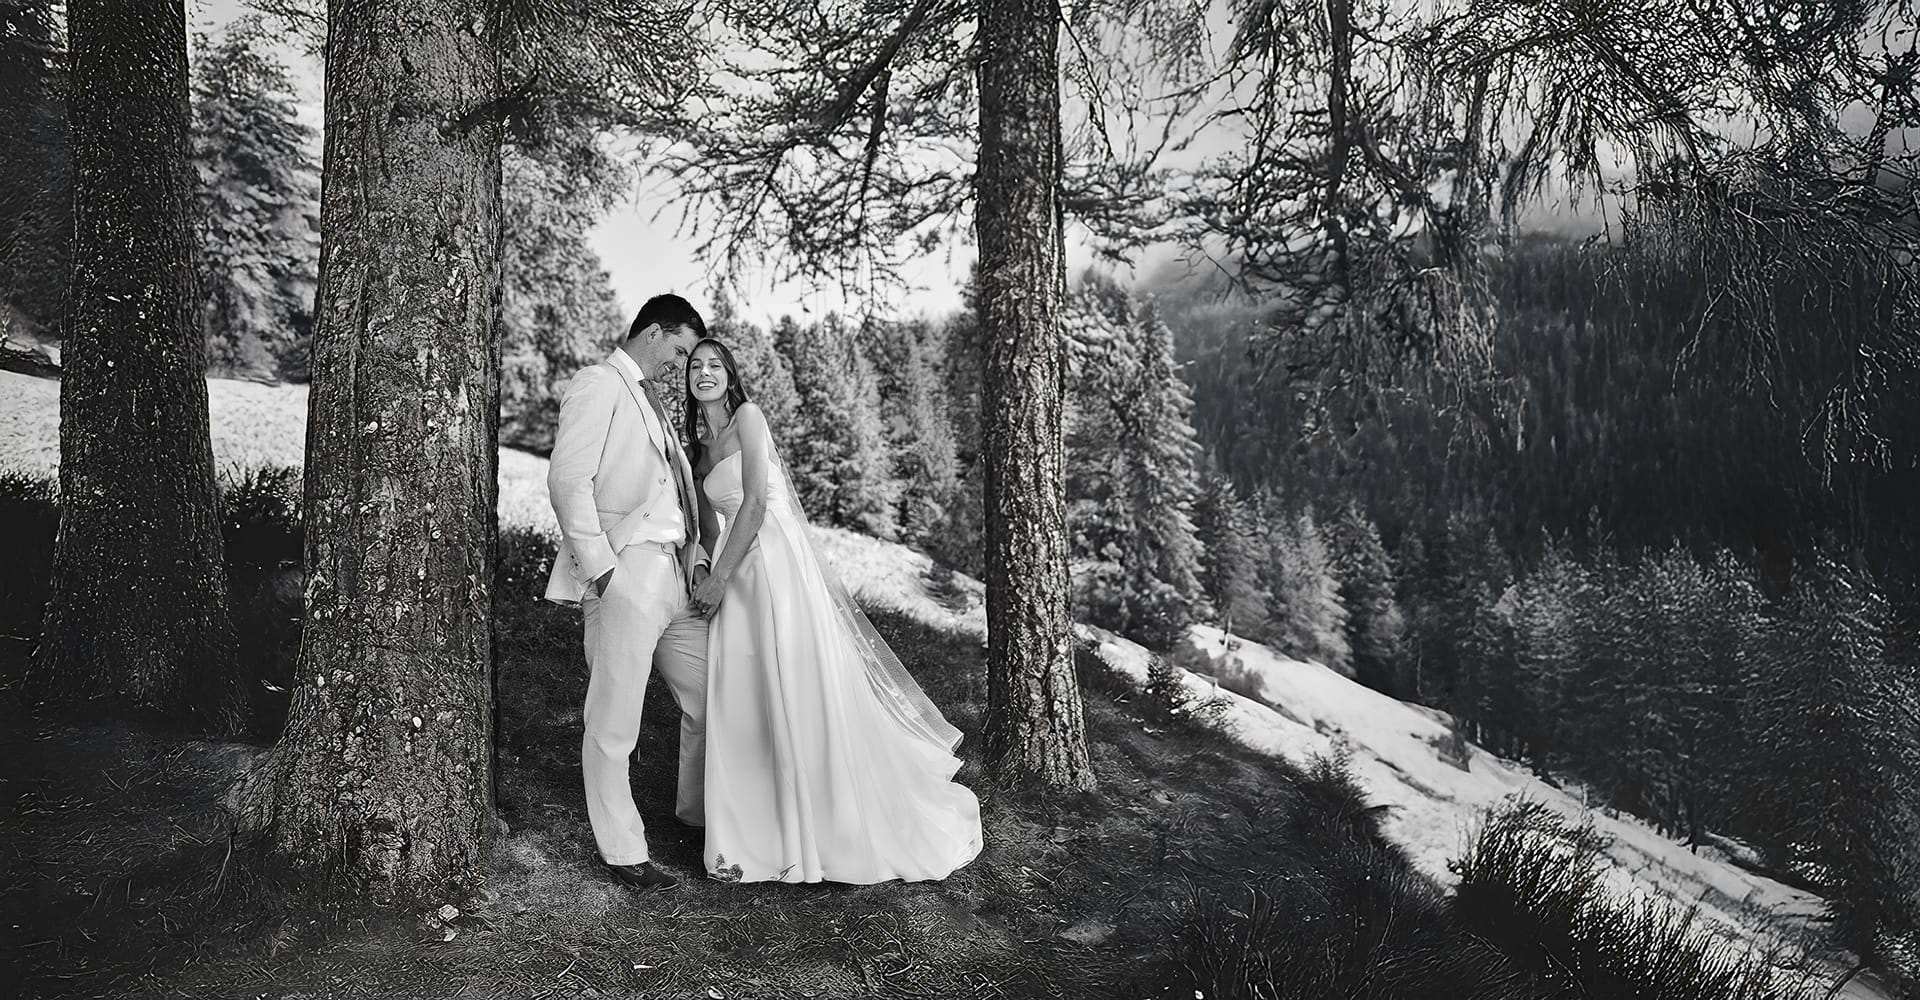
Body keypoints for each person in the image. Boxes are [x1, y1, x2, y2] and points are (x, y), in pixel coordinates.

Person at [682, 337, 984, 884]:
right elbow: (709, 527)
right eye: (695, 366)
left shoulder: (748, 418)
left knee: (797, 682)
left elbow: (752, 504)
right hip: (735, 570)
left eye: (714, 365)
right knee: (748, 695)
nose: (704, 373)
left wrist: (721, 577)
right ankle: (760, 832)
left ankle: (826, 825)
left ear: (730, 375)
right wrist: (702, 568)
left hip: (774, 561)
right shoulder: (699, 450)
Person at [544, 294, 712, 891]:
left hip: (674, 574)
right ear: (656, 332)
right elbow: (568, 478)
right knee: (614, 718)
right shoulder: (599, 382)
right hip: (628, 570)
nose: (684, 366)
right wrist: (603, 569)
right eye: (681, 350)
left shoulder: (652, 402)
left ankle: (698, 818)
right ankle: (623, 851)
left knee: (712, 694)